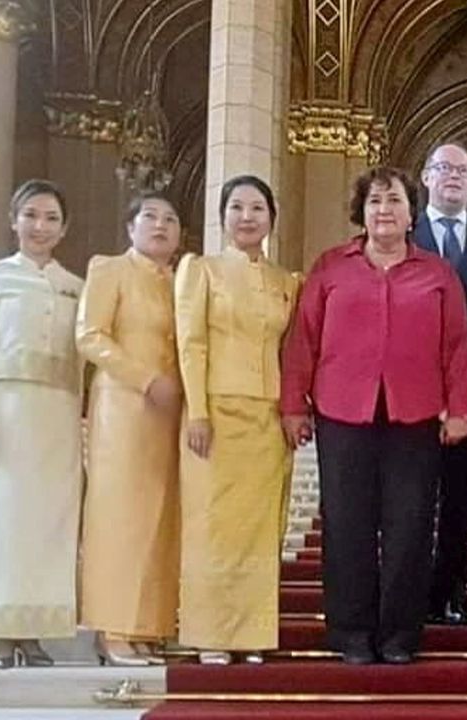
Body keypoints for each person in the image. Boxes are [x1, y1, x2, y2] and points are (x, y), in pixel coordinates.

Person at [281, 167, 467, 664]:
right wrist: (292, 404)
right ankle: (350, 633)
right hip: (342, 414)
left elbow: (458, 346)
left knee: (410, 527)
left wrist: (461, 408)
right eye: (375, 202)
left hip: (414, 417)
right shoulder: (330, 267)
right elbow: (302, 341)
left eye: (394, 201)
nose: (384, 210)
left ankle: (398, 636)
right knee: (347, 524)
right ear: (361, 212)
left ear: (412, 212)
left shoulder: (438, 273)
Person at [175, 175, 300, 664]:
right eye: (236, 208)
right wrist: (198, 410)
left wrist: (292, 409)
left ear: (272, 218)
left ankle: (251, 634)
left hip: (267, 417)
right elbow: (191, 343)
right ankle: (210, 634)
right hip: (216, 413)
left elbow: (293, 350)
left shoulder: (286, 282)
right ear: (222, 216)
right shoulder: (200, 270)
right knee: (213, 527)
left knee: (259, 529)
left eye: (257, 209)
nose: (247, 217)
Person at [0, 179, 85, 668]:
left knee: (51, 524)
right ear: (14, 220)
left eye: (51, 217)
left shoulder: (76, 286)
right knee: (3, 519)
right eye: (31, 215)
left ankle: (36, 632)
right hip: (8, 409)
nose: (40, 226)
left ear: (64, 227)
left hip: (59, 413)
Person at [76, 192, 183, 665]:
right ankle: (112, 626)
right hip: (122, 408)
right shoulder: (110, 269)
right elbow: (89, 335)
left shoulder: (179, 282)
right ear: (130, 227)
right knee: (119, 517)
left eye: (170, 219)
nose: (160, 225)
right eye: (150, 217)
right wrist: (143, 379)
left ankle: (148, 625)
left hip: (169, 414)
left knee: (160, 518)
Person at [415, 144, 467, 626]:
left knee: (461, 507)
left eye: (463, 171)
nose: (453, 178)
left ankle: (451, 595)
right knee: (411, 507)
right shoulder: (401, 234)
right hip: (413, 399)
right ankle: (411, 595)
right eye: (443, 168)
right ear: (425, 177)